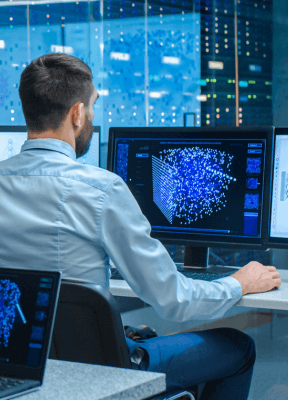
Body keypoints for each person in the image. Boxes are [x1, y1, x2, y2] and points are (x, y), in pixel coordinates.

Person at [0, 53, 281, 400]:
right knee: (237, 346)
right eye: (91, 107)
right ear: (76, 113)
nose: (90, 116)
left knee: (140, 331)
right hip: (101, 374)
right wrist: (239, 283)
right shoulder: (100, 189)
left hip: (24, 370)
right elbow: (174, 301)